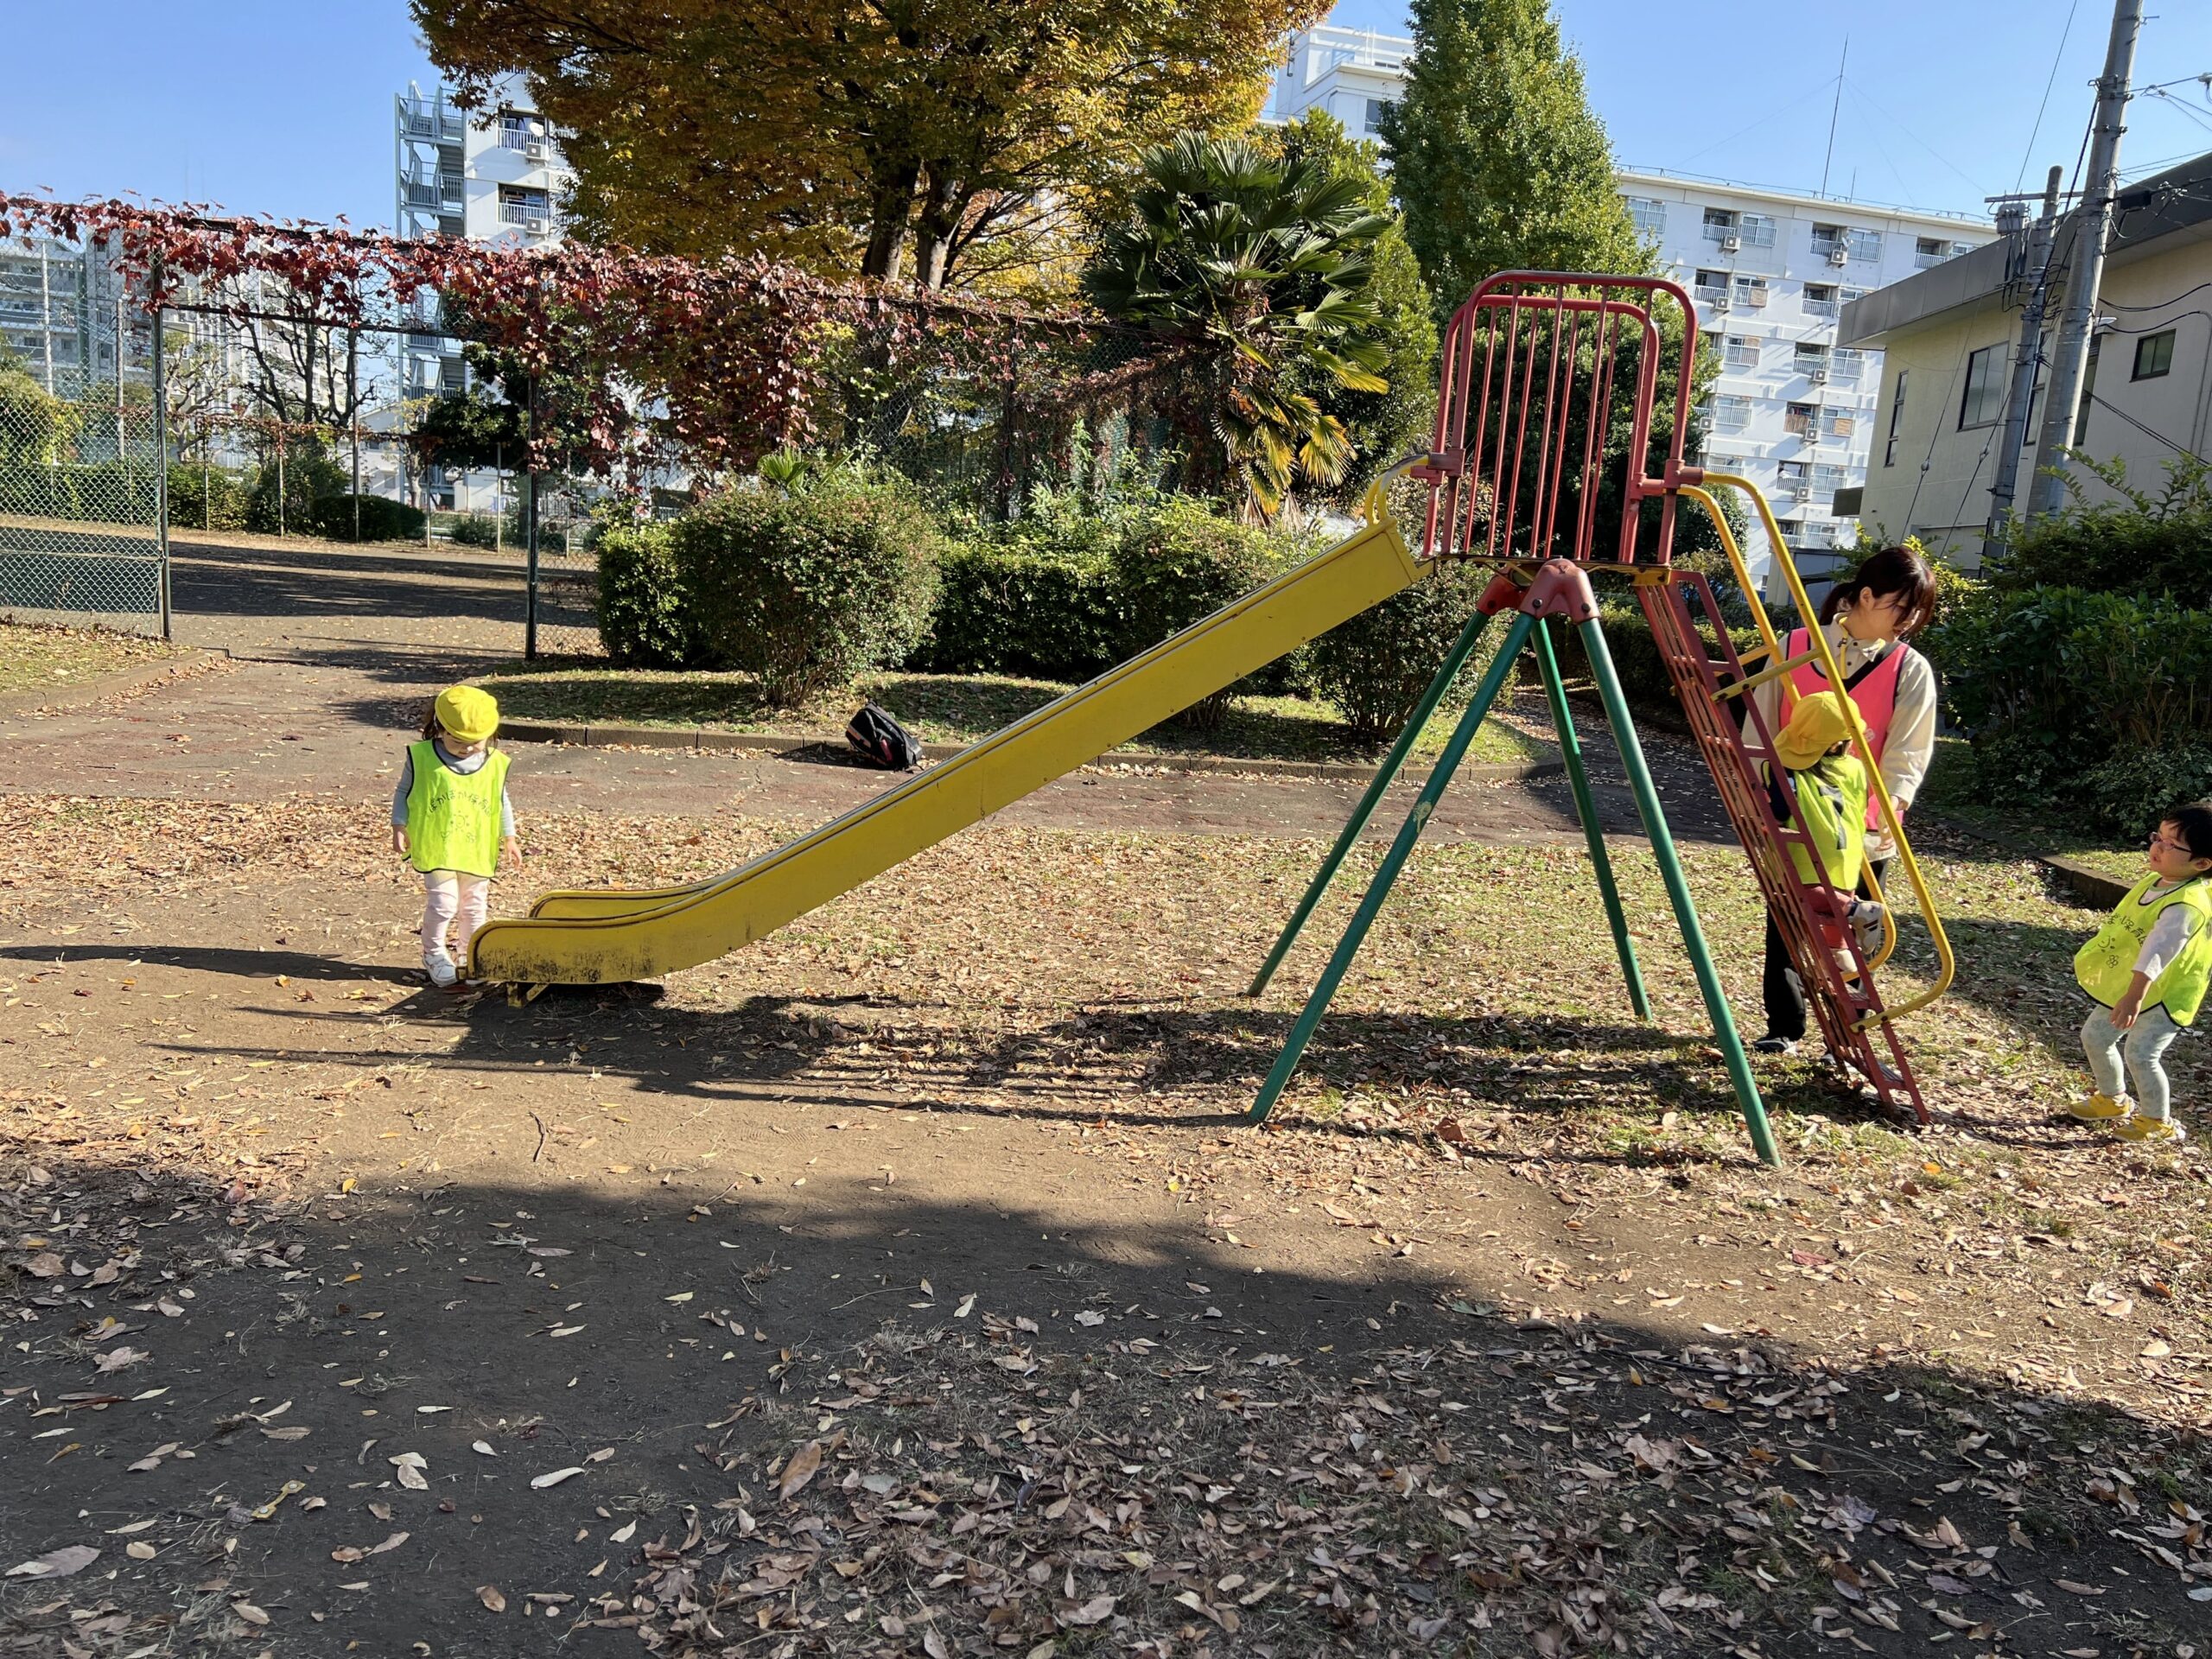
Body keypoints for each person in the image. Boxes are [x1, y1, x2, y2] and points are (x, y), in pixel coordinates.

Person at [1750, 545, 1939, 1054]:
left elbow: (1908, 752)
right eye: (1902, 606)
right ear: (1866, 596)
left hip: (1863, 827)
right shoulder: (1793, 646)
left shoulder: (1909, 668)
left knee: (1852, 931)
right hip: (1792, 815)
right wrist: (1757, 798)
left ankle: (1848, 1031)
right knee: (1786, 921)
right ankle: (1784, 1027)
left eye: (1919, 610)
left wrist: (1893, 808)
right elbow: (1759, 728)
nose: (1911, 620)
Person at [2069, 801, 2212, 1145]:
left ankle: (2156, 1121)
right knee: (2096, 1036)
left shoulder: (2186, 906)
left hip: (2164, 994)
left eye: (2171, 844)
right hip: (2129, 986)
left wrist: (2134, 996)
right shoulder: (2157, 881)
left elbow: (2157, 953)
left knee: (2141, 1053)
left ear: (2202, 863)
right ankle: (2112, 1100)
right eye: (2158, 837)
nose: (2158, 847)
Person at [391, 684, 520, 988]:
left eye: (474, 742)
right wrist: (399, 825)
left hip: (476, 848)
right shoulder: (421, 757)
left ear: (491, 735)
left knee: (475, 905)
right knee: (445, 904)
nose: (465, 748)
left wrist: (509, 838)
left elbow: (501, 801)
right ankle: (433, 953)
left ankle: (469, 956)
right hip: (438, 847)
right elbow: (402, 792)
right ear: (440, 728)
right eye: (456, 740)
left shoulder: (494, 763)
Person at [1768, 690, 1885, 973]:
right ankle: (1840, 959)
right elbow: (1858, 803)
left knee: (1796, 892)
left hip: (1809, 847)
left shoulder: (1790, 768)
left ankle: (1860, 911)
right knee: (1834, 917)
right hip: (1846, 848)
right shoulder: (1856, 768)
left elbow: (1782, 809)